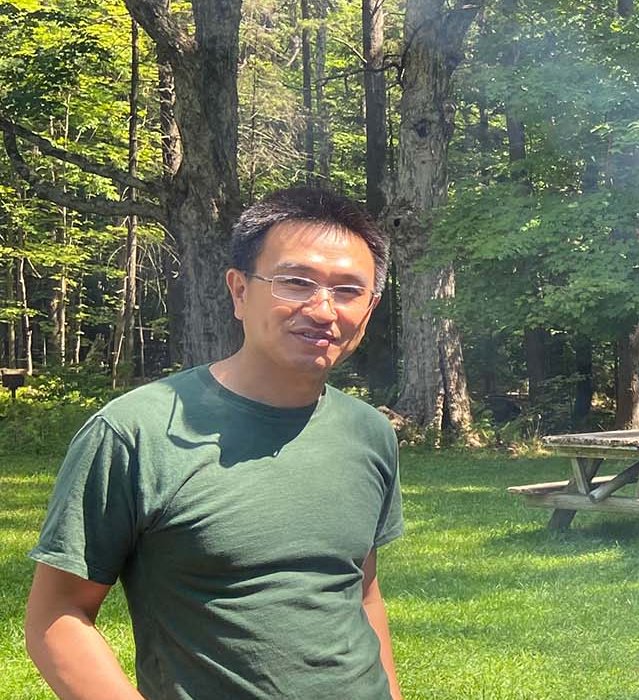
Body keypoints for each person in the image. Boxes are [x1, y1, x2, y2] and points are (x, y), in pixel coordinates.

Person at [25, 186, 405, 699]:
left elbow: (360, 592)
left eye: (347, 290)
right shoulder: (135, 433)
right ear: (239, 291)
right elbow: (58, 615)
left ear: (370, 307)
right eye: (295, 282)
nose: (321, 309)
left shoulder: (369, 433)